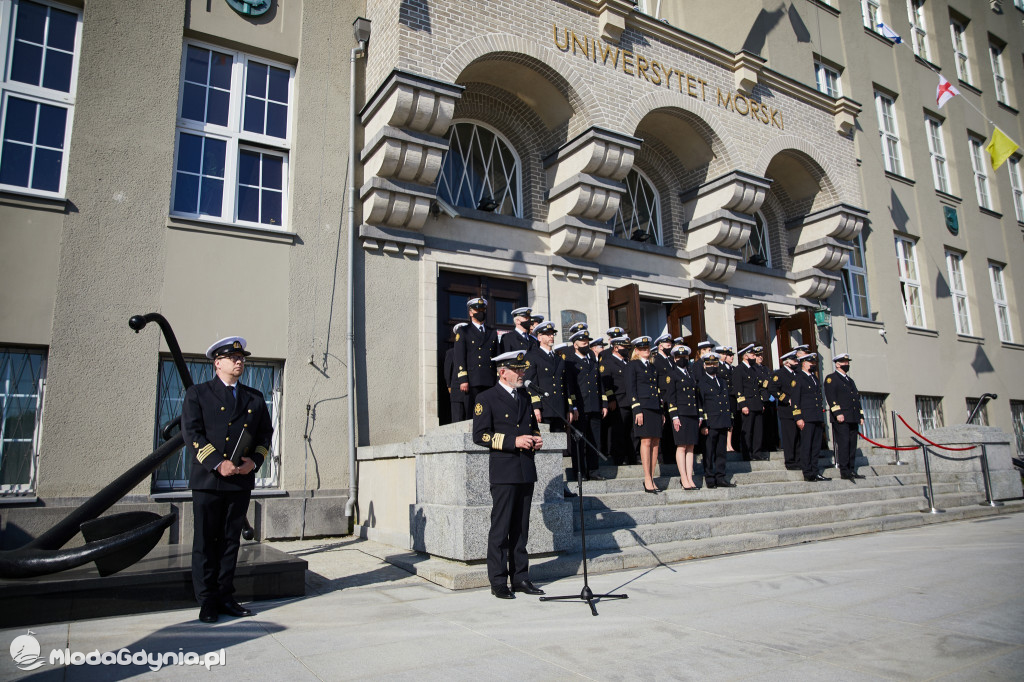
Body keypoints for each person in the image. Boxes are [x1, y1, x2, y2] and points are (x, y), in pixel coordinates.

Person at [181, 336, 273, 624]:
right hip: (208, 480)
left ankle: (225, 595)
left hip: (239, 481)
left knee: (231, 541)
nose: (239, 362)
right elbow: (192, 434)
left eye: (242, 358)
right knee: (207, 541)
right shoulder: (198, 394)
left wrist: (254, 462)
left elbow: (265, 435)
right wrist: (217, 463)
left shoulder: (254, 397)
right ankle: (207, 600)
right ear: (217, 363)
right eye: (233, 358)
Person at [472, 350, 546, 599]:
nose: (522, 373)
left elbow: (531, 426)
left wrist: (536, 439)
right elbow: (480, 435)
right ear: (502, 372)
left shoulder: (525, 396)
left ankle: (521, 577)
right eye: (517, 369)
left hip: (525, 469)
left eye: (523, 369)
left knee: (521, 530)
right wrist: (514, 441)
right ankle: (498, 581)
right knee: (501, 529)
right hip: (504, 471)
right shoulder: (487, 397)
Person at [525, 321, 578, 498]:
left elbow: (566, 385)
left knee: (558, 449)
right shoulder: (532, 356)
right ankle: (542, 483)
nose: (551, 336)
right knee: (542, 447)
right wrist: (536, 406)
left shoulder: (557, 358)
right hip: (544, 409)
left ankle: (558, 484)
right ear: (539, 337)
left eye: (552, 334)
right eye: (547, 334)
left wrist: (570, 407)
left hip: (558, 409)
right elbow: (531, 384)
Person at [566, 328, 607, 481]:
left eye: (587, 342)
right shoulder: (570, 362)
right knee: (579, 440)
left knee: (594, 440)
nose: (586, 345)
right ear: (575, 345)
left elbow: (599, 383)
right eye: (583, 343)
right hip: (580, 407)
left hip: (595, 405)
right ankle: (580, 472)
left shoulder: (592, 361)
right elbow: (570, 386)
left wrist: (603, 403)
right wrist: (573, 406)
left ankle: (593, 471)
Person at [626, 336, 662, 493]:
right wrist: (637, 409)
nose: (645, 350)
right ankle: (647, 478)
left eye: (647, 348)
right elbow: (631, 388)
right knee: (646, 441)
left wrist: (660, 410)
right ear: (636, 350)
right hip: (643, 407)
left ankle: (652, 477)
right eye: (642, 348)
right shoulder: (632, 365)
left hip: (654, 407)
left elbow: (657, 389)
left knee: (655, 442)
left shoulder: (653, 367)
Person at [825, 353, 866, 481]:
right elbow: (831, 398)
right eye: (843, 362)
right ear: (837, 364)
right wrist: (837, 413)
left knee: (852, 444)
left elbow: (856, 399)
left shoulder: (850, 380)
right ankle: (844, 471)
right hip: (842, 417)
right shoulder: (831, 378)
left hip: (852, 417)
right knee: (844, 444)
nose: (846, 364)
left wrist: (860, 415)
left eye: (847, 362)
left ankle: (851, 469)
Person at [698, 352, 736, 488]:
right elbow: (701, 404)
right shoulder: (701, 383)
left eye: (714, 364)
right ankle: (709, 477)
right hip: (711, 423)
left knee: (721, 452)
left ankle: (720, 477)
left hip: (723, 421)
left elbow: (726, 402)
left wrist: (730, 420)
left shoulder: (722, 381)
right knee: (708, 452)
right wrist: (704, 424)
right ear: (704, 366)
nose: (712, 366)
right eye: (709, 364)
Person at [791, 351, 830, 482]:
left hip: (816, 416)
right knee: (807, 445)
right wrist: (798, 418)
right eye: (810, 362)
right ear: (803, 363)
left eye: (814, 362)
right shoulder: (798, 378)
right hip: (806, 417)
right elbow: (795, 400)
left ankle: (815, 470)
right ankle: (807, 472)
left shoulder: (814, 378)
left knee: (815, 446)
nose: (813, 364)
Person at [665, 345, 699, 489]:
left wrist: (700, 415)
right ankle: (683, 477)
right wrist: (674, 416)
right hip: (681, 414)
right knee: (682, 446)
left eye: (684, 358)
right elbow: (670, 397)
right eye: (679, 358)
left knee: (690, 446)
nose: (682, 360)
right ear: (674, 359)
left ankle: (690, 477)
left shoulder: (690, 373)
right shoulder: (672, 374)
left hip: (692, 413)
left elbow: (695, 395)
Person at [454, 297, 499, 406]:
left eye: (482, 310)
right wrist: (463, 379)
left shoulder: (492, 332)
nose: (480, 313)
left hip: (490, 379)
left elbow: (497, 355)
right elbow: (459, 356)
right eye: (477, 310)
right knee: (473, 412)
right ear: (470, 313)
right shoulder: (464, 331)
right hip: (473, 379)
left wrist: (499, 377)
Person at [601, 335, 634, 465]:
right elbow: (607, 383)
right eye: (623, 347)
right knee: (618, 431)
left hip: (629, 401)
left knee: (629, 431)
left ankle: (631, 455)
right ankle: (619, 457)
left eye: (627, 347)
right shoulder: (608, 362)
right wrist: (611, 399)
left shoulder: (628, 362)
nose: (626, 350)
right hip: (618, 401)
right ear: (615, 348)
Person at [735, 344, 768, 461]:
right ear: (745, 356)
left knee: (758, 430)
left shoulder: (754, 369)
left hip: (757, 403)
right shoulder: (739, 369)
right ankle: (747, 453)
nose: (754, 357)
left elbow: (759, 386)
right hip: (747, 404)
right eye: (752, 355)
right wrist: (743, 405)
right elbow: (739, 389)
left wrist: (762, 402)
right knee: (747, 430)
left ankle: (757, 452)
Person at [444, 323, 469, 422]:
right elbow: (447, 371)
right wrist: (449, 386)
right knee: (457, 419)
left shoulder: (472, 351)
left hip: (470, 390)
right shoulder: (451, 352)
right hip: (456, 389)